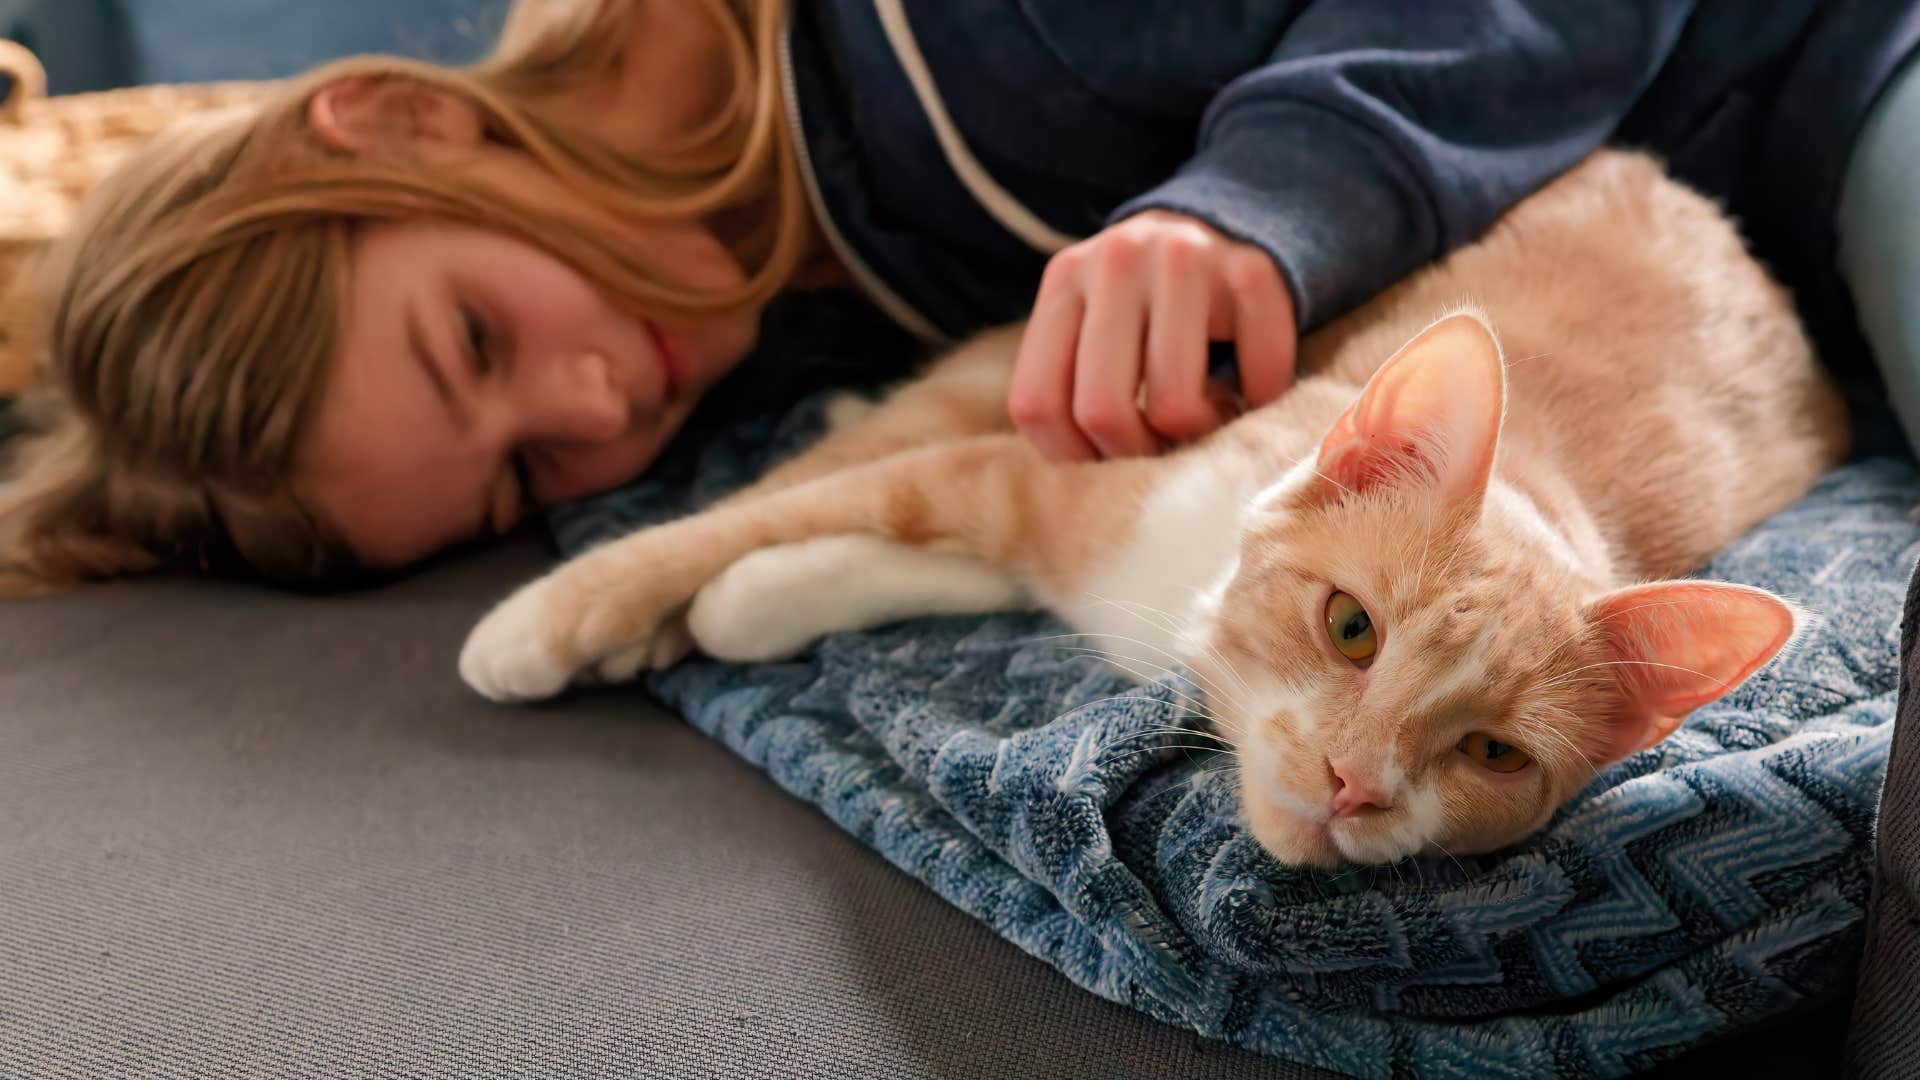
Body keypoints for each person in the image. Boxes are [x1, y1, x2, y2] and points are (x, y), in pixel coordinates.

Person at [0, 0, 1915, 594]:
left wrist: (1267, 202)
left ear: (407, 123)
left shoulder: (957, 32)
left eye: (475, 336)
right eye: (518, 484)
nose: (596, 407)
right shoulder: (802, 304)